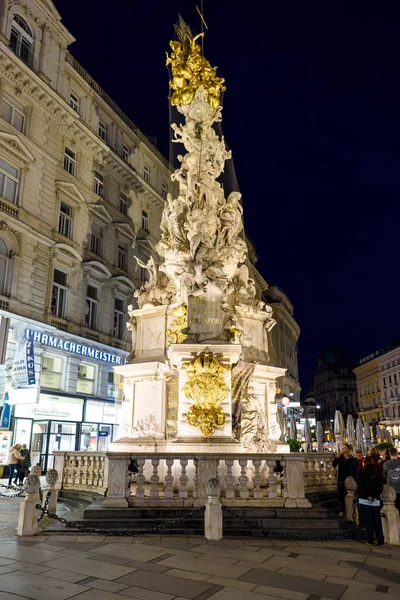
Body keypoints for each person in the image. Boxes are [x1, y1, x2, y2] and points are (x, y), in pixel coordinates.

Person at [358, 456, 385, 546]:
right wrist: (375, 495)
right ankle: (380, 540)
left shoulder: (361, 473)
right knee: (377, 520)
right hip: (375, 500)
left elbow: (361, 486)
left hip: (365, 500)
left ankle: (370, 540)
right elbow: (380, 486)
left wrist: (368, 495)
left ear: (364, 463)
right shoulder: (376, 473)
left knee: (368, 521)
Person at [332, 444, 359, 516]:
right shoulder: (340, 458)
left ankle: (351, 510)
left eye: (344, 448)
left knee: (351, 494)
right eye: (342, 447)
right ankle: (342, 510)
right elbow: (334, 464)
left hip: (350, 479)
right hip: (341, 479)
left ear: (348, 449)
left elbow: (355, 470)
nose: (343, 449)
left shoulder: (353, 459)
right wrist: (336, 458)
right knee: (341, 496)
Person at [383, 447, 400, 511]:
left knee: (393, 509)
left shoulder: (385, 464)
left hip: (391, 488)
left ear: (389, 454)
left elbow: (384, 475)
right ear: (397, 454)